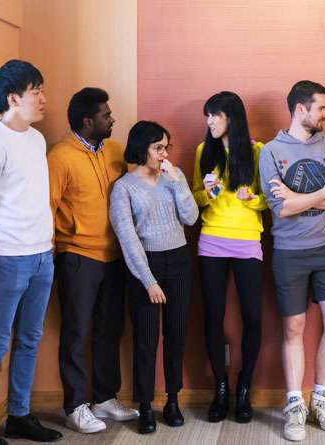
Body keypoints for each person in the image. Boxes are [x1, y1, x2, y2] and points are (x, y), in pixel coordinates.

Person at [0, 60, 64, 445]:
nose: (44, 99)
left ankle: (19, 416)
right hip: (4, 258)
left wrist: (47, 247)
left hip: (42, 255)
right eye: (36, 91)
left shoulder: (36, 139)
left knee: (29, 339)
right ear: (13, 98)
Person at [260, 80, 325, 442]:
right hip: (288, 251)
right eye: (322, 108)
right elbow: (281, 210)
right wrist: (321, 191)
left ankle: (321, 399)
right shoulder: (270, 151)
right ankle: (295, 404)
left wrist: (300, 196)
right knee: (293, 327)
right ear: (301, 109)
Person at [48, 86, 134, 433]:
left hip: (114, 256)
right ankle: (74, 406)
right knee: (75, 331)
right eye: (105, 115)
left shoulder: (114, 150)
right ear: (88, 121)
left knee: (110, 330)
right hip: (77, 257)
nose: (112, 118)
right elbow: (47, 210)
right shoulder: (59, 157)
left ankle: (104, 397)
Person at [107, 121, 197, 434]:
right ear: (141, 147)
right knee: (145, 340)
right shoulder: (124, 188)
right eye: (158, 147)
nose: (163, 153)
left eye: (166, 147)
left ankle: (172, 400)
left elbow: (190, 217)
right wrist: (148, 280)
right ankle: (145, 404)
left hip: (179, 260)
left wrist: (178, 181)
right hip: (145, 266)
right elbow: (128, 239)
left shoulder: (175, 176)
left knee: (176, 335)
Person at [193, 91, 267, 424]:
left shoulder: (257, 151)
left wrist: (251, 199)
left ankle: (244, 387)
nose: (209, 122)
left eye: (215, 115)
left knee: (253, 318)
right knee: (214, 317)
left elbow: (268, 201)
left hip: (247, 240)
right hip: (211, 240)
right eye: (207, 115)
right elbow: (194, 199)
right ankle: (221, 386)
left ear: (231, 118)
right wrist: (206, 194)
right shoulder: (202, 151)